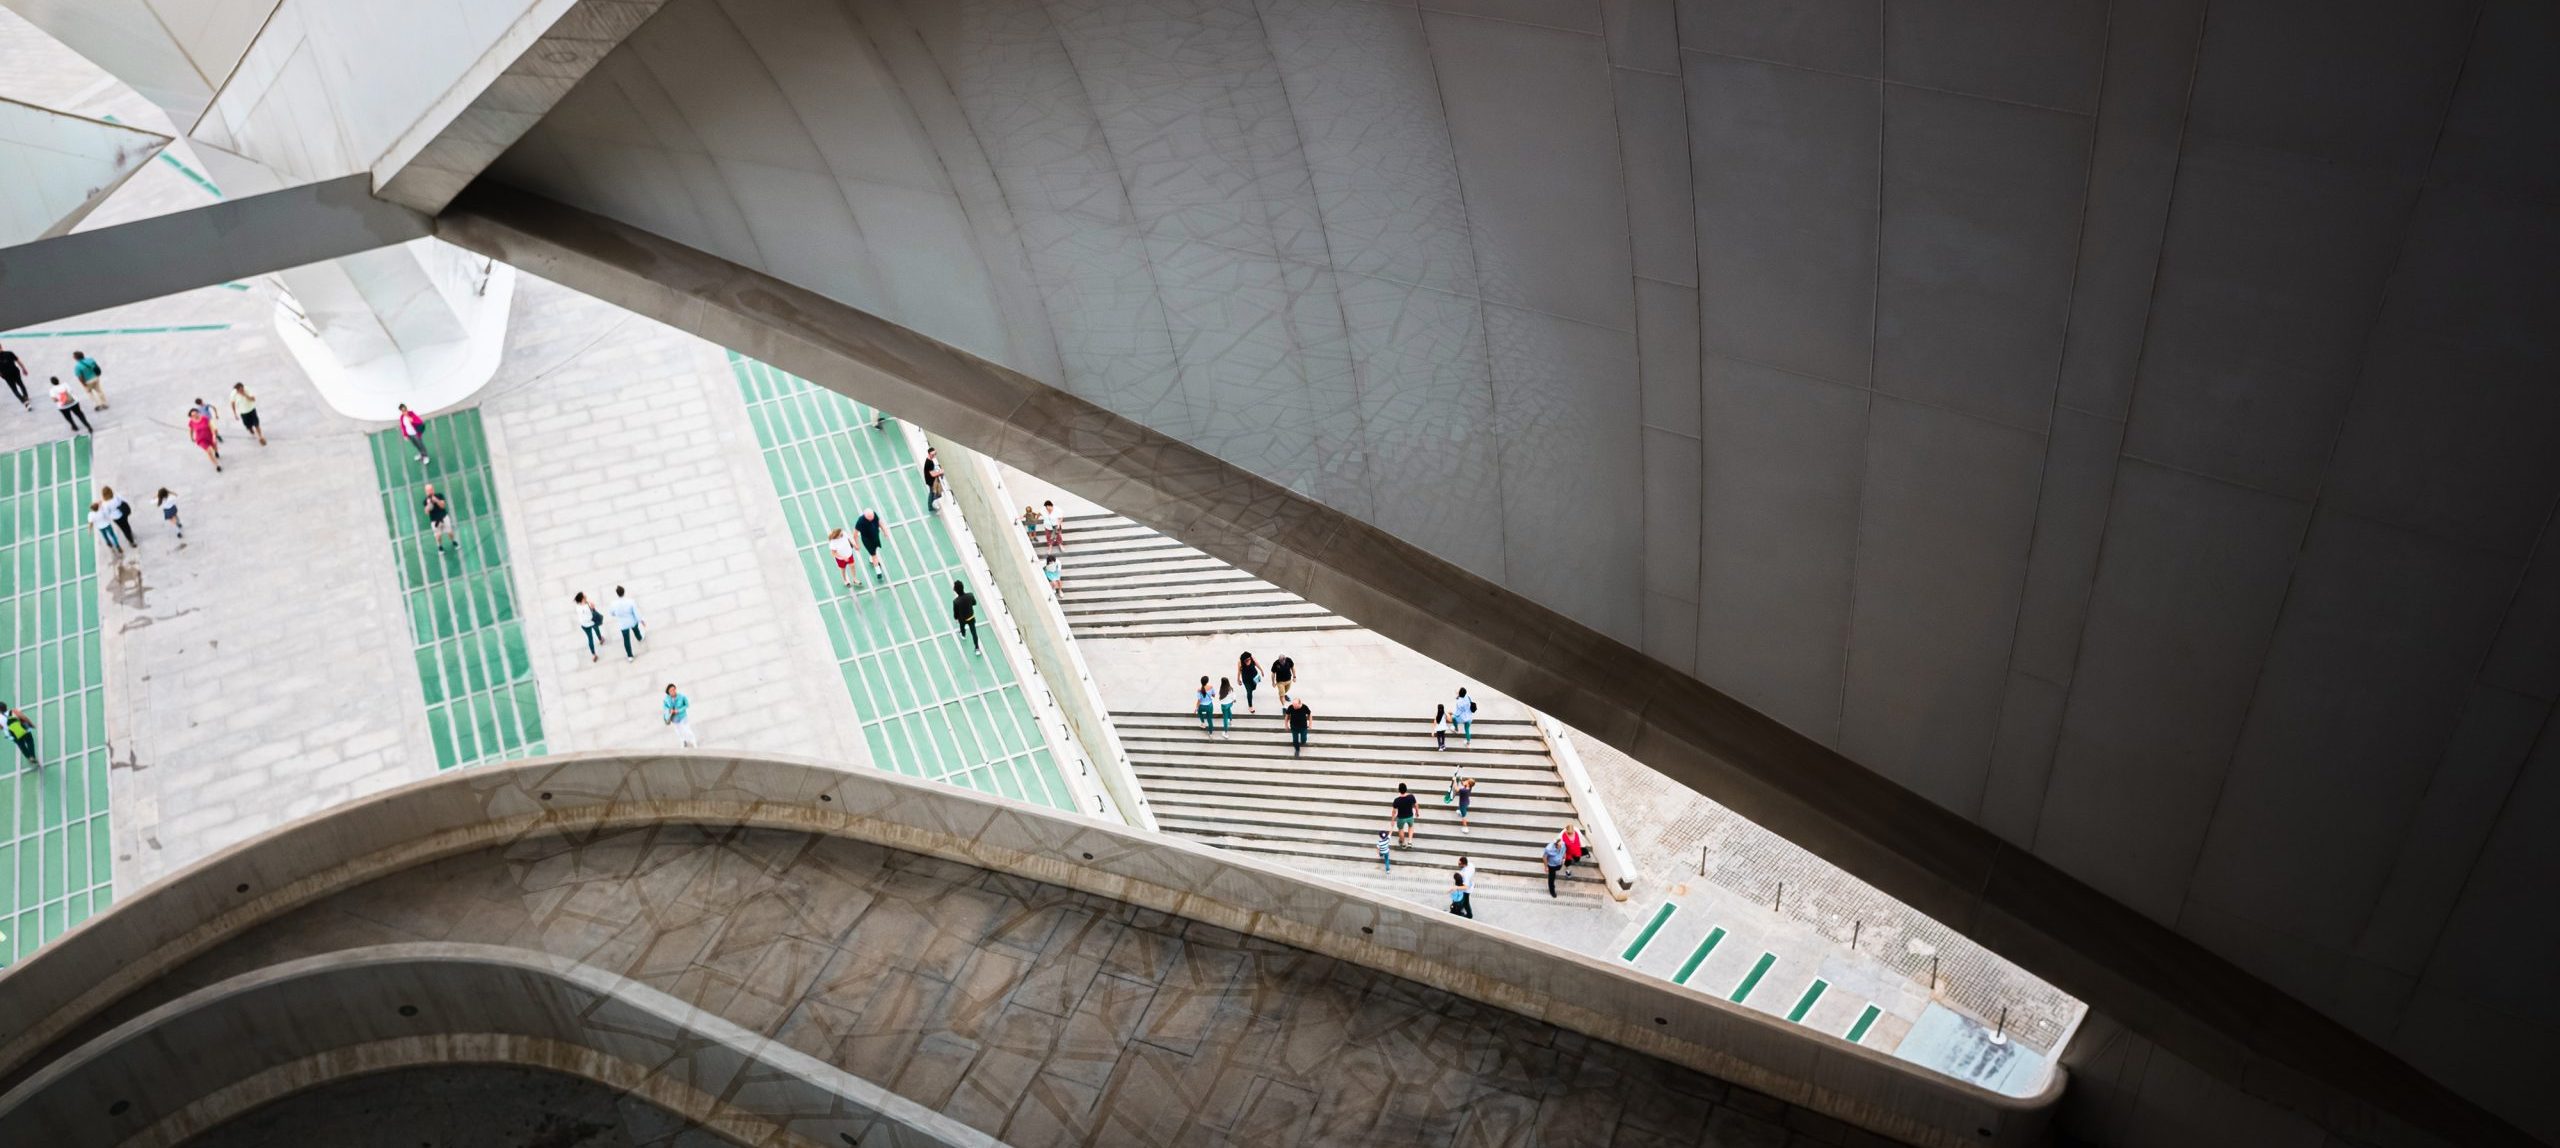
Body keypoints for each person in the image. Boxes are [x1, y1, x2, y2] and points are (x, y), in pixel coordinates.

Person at [609, 586, 646, 661]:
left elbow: (611, 613)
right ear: (624, 592)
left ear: (617, 593)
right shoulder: (631, 601)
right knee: (636, 630)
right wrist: (641, 620)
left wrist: (618, 615)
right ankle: (639, 638)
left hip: (623, 624)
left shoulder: (613, 604)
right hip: (632, 621)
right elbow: (636, 613)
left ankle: (630, 656)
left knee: (626, 640)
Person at [853, 508, 886, 581]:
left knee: (875, 550)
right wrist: (857, 544)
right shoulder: (860, 521)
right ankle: (878, 571)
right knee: (874, 555)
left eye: (872, 516)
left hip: (875, 536)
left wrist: (885, 531)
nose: (871, 518)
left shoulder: (874, 515)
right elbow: (855, 534)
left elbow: (879, 522)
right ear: (865, 516)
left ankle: (872, 559)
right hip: (867, 540)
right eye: (869, 517)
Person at [663, 683, 699, 747]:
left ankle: (693, 741)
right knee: (678, 732)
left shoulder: (682, 697)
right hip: (674, 719)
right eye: (670, 691)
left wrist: (678, 710)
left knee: (687, 730)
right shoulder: (666, 699)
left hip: (683, 717)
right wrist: (669, 710)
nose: (673, 691)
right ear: (668, 692)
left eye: (673, 689)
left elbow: (687, 705)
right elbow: (665, 707)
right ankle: (683, 741)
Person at [574, 592, 606, 663]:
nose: (586, 595)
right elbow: (592, 615)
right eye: (584, 595)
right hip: (592, 622)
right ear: (582, 599)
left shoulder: (577, 607)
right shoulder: (587, 607)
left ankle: (593, 654)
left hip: (584, 625)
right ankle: (600, 639)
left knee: (590, 638)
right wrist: (593, 608)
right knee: (596, 629)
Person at [422, 483, 455, 551]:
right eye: (428, 490)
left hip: (444, 517)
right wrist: (429, 505)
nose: (430, 492)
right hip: (435, 521)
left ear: (433, 489)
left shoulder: (439, 495)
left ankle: (453, 541)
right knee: (438, 535)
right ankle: (440, 546)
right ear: (426, 492)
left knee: (450, 532)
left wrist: (436, 500)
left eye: (431, 489)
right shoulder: (425, 501)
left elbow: (443, 506)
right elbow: (427, 512)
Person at [188, 405, 221, 471]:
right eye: (193, 415)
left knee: (214, 446)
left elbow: (211, 427)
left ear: (198, 413)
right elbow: (191, 430)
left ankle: (216, 452)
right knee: (209, 451)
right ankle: (217, 465)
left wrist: (214, 436)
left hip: (210, 436)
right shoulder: (191, 422)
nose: (195, 416)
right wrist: (191, 438)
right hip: (201, 440)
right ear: (191, 416)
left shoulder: (204, 418)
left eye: (196, 413)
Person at [951, 579, 979, 654]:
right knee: (974, 633)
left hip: (962, 619)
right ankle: (977, 648)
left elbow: (956, 613)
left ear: (956, 590)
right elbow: (974, 603)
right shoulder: (970, 595)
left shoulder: (956, 601)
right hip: (971, 617)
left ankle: (963, 634)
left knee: (962, 627)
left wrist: (956, 618)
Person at [4, 703, 34, 770]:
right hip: (23, 730)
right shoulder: (13, 711)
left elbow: (1, 727)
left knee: (21, 745)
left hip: (13, 734)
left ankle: (29, 757)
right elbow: (24, 718)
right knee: (29, 741)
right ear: (6, 706)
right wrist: (31, 724)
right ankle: (32, 756)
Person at [1390, 781, 1417, 847]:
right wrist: (1417, 812)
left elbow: (1394, 811)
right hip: (1410, 816)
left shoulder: (1397, 800)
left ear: (1399, 790)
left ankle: (1403, 843)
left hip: (1401, 818)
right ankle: (1410, 842)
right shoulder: (1411, 797)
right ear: (1406, 789)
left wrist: (1392, 820)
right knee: (1411, 827)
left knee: (1401, 829)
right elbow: (1416, 805)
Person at [0, 343, 27, 409]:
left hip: (6, 375)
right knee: (21, 384)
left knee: (14, 389)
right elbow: (18, 361)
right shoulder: (9, 353)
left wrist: (2, 375)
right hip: (15, 372)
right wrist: (24, 369)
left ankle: (23, 401)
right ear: (1, 346)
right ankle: (26, 397)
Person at [920, 447, 945, 514]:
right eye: (933, 454)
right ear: (929, 454)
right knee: (932, 493)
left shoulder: (929, 461)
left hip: (929, 480)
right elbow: (933, 474)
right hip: (931, 481)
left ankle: (931, 505)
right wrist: (940, 472)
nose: (934, 456)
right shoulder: (929, 463)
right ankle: (930, 506)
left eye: (935, 454)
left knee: (932, 493)